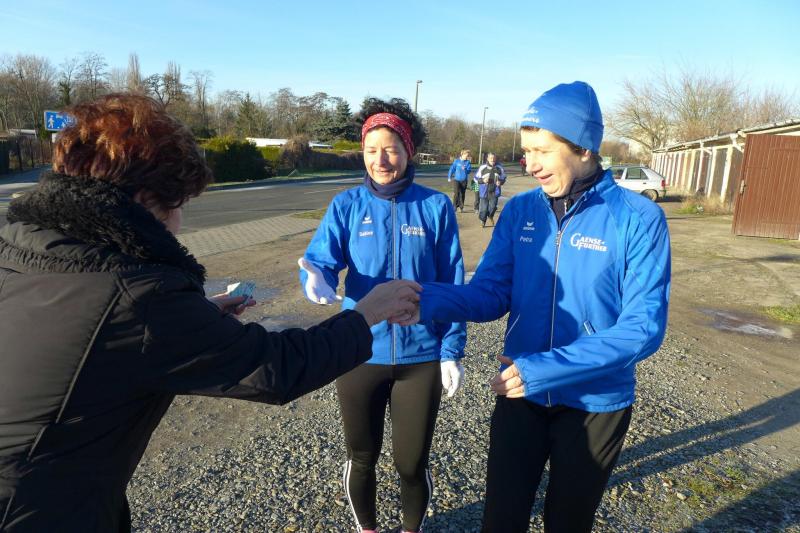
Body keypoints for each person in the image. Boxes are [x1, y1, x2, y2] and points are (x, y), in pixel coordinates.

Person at [0, 94, 420, 532]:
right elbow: (274, 369)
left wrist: (193, 316)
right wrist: (365, 314)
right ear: (144, 200)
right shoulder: (137, 297)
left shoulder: (18, 247)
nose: (180, 221)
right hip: (39, 512)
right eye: (179, 204)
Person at [412, 81, 671, 532]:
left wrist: (544, 369)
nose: (529, 164)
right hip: (522, 394)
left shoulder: (639, 218)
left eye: (542, 151)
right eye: (527, 151)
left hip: (595, 403)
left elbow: (642, 328)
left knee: (567, 523)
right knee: (501, 519)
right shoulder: (521, 211)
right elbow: (492, 292)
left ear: (584, 148)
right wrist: (422, 298)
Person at [298, 98, 466, 533]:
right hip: (359, 351)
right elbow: (322, 259)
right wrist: (316, 277)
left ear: (408, 151)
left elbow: (453, 282)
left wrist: (451, 350)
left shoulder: (435, 206)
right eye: (371, 150)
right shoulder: (346, 205)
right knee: (362, 457)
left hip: (421, 356)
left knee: (411, 463)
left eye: (390, 149)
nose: (381, 160)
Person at [473, 152, 506, 227]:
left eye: (494, 158)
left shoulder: (499, 168)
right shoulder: (483, 167)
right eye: (491, 158)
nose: (492, 159)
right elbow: (475, 178)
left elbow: (503, 177)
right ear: (487, 159)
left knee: (493, 207)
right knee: (483, 209)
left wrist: (500, 182)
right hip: (484, 191)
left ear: (495, 159)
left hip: (495, 191)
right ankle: (483, 221)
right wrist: (483, 180)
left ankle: (490, 216)